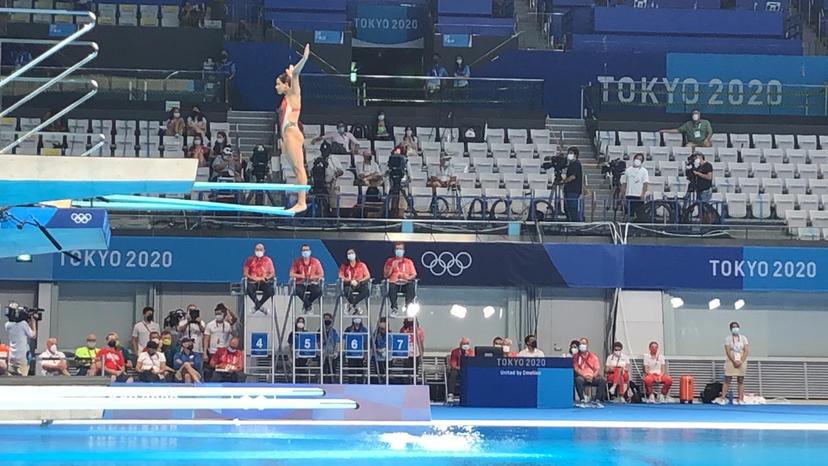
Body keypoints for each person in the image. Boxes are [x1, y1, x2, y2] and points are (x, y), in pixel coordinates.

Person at [275, 43, 311, 213]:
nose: (276, 87)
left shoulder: (293, 94)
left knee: (299, 168)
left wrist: (303, 59)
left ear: (286, 85)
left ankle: (302, 202)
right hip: (286, 136)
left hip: (292, 134)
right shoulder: (285, 98)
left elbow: (296, 74)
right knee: (295, 171)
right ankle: (299, 201)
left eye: (278, 84)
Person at [716, 321, 749, 405]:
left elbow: (746, 350)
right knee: (727, 379)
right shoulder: (728, 339)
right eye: (733, 327)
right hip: (731, 359)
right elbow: (727, 351)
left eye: (736, 327)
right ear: (731, 329)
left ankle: (740, 398)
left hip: (741, 359)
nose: (735, 328)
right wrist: (733, 360)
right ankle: (723, 398)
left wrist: (741, 360)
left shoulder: (744, 338)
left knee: (740, 380)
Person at [203, 303, 237, 381]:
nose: (218, 315)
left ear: (224, 314)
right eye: (216, 314)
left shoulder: (228, 325)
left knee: (224, 372)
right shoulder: (210, 325)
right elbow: (206, 339)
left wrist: (227, 309)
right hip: (213, 352)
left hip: (224, 353)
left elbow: (234, 322)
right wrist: (205, 352)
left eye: (220, 314)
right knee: (212, 372)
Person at [383, 242, 417, 315]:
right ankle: (394, 308)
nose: (399, 251)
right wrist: (392, 267)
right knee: (391, 286)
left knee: (411, 286)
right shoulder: (389, 261)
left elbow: (414, 275)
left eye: (400, 249)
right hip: (394, 283)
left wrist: (407, 277)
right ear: (394, 250)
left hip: (405, 284)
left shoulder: (408, 262)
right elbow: (386, 275)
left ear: (403, 251)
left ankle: (408, 306)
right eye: (397, 249)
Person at [290, 244, 324, 312]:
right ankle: (308, 304)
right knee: (298, 290)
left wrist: (313, 277)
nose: (305, 252)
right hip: (301, 283)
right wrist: (300, 276)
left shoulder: (315, 262)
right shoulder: (297, 262)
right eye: (304, 250)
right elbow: (291, 273)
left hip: (312, 283)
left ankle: (307, 304)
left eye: (307, 250)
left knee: (318, 291)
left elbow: (321, 274)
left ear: (310, 251)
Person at [244, 243, 276, 311]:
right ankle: (260, 307)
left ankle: (258, 306)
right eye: (257, 249)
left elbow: (272, 273)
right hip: (253, 282)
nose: (259, 251)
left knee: (271, 290)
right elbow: (245, 273)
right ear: (254, 250)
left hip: (263, 281)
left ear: (264, 251)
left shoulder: (268, 260)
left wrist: (266, 278)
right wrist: (254, 278)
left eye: (260, 250)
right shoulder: (249, 260)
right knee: (248, 289)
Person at [573, 337, 606, 404]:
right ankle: (582, 399)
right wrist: (584, 376)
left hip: (592, 377)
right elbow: (576, 368)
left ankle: (597, 399)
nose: (582, 345)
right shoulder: (576, 357)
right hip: (582, 377)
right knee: (578, 380)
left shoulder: (593, 356)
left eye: (584, 343)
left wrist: (593, 376)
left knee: (602, 380)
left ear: (587, 345)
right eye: (581, 343)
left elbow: (597, 369)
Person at [339, 248, 371, 315]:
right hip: (349, 284)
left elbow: (367, 276)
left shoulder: (362, 265)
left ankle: (351, 305)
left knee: (366, 290)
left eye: (352, 253)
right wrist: (349, 280)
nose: (351, 255)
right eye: (349, 254)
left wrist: (359, 281)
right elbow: (341, 276)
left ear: (355, 254)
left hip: (359, 283)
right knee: (347, 290)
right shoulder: (344, 266)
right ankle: (356, 306)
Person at [4, 311, 36, 376]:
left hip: (12, 356)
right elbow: (33, 335)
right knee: (23, 380)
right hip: (22, 357)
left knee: (11, 379)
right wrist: (33, 323)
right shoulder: (23, 324)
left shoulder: (7, 325)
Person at [621, 152, 649, 222]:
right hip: (629, 195)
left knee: (640, 215)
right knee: (629, 214)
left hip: (639, 196)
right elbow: (624, 183)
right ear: (634, 159)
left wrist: (642, 194)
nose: (638, 160)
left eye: (640, 159)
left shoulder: (644, 171)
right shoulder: (628, 170)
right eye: (637, 158)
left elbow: (645, 184)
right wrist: (623, 194)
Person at [560, 146, 584, 222]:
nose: (569, 155)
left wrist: (564, 181)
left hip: (573, 190)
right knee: (568, 208)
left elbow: (573, 176)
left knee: (573, 208)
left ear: (575, 155)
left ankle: (575, 223)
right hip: (569, 190)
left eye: (571, 153)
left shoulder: (576, 164)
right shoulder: (571, 164)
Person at [447, 337, 474, 402]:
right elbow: (453, 365)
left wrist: (467, 355)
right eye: (464, 343)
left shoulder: (471, 351)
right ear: (460, 344)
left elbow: (473, 363)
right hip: (458, 370)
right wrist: (460, 368)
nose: (465, 345)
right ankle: (451, 394)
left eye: (467, 343)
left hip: (468, 370)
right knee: (453, 373)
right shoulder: (455, 352)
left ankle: (472, 394)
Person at [342, 317, 368, 384]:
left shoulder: (364, 330)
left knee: (360, 371)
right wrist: (345, 353)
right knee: (351, 371)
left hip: (360, 354)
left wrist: (366, 354)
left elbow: (366, 342)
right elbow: (345, 340)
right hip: (351, 354)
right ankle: (351, 385)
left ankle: (360, 385)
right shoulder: (348, 329)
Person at [321, 312, 340, 382]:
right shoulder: (320, 331)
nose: (327, 321)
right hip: (323, 355)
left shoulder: (334, 332)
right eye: (325, 319)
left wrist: (335, 352)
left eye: (328, 319)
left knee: (332, 371)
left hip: (332, 355)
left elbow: (336, 343)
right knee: (323, 371)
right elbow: (318, 342)